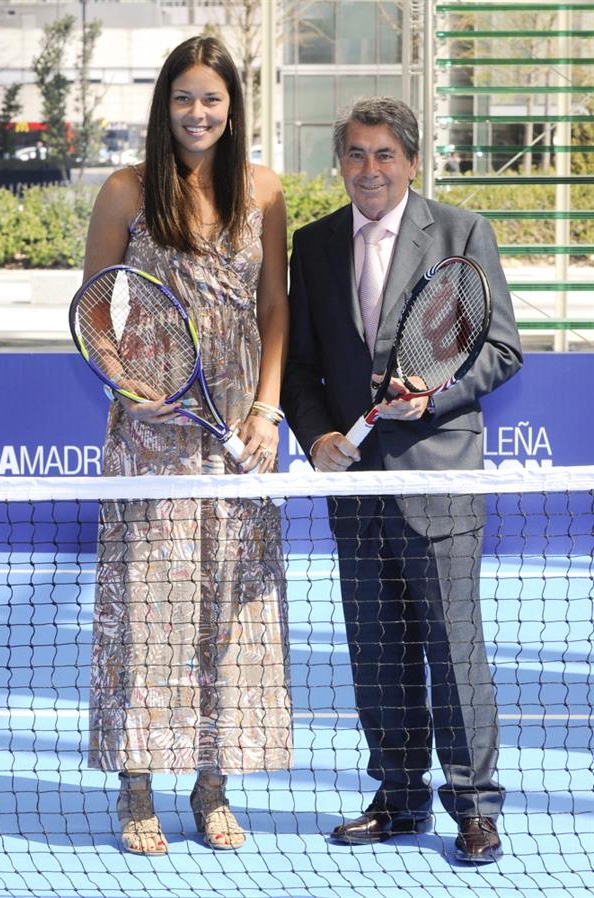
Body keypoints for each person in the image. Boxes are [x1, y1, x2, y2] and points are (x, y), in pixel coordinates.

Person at [281, 97, 522, 864]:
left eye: (385, 155)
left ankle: (476, 808)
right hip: (358, 490)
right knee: (377, 652)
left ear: (412, 161)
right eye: (355, 154)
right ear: (340, 162)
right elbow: (300, 367)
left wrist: (433, 396)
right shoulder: (312, 245)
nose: (369, 169)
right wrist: (316, 432)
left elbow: (502, 351)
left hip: (439, 477)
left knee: (454, 652)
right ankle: (398, 797)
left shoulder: (461, 231)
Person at [82, 35, 292, 855]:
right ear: (163, 104)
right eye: (182, 98)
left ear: (232, 106)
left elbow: (276, 308)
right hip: (150, 433)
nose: (197, 113)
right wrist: (132, 387)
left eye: (210, 99)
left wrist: (267, 412)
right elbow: (96, 309)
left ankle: (213, 785)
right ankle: (137, 784)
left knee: (229, 615)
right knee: (147, 610)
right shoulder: (125, 190)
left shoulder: (265, 191)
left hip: (239, 432)